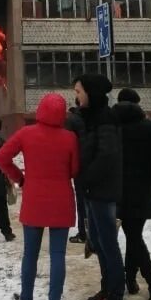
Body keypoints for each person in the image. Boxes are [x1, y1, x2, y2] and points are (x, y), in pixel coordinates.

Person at [0, 93, 78, 300]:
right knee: (58, 255)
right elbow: (74, 170)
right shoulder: (70, 138)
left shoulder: (26, 133)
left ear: (40, 110)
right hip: (62, 201)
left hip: (34, 199)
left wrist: (19, 178)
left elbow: (1, 157)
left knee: (30, 254)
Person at [76, 73, 126, 300]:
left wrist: (87, 178)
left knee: (108, 244)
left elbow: (106, 155)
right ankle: (108, 290)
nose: (76, 97)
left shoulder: (104, 119)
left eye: (78, 92)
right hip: (95, 189)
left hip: (102, 190)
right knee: (98, 241)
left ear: (90, 93)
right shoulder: (94, 117)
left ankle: (115, 297)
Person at [113, 89, 151, 300]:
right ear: (137, 104)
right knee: (134, 235)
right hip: (143, 190)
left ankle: (134, 279)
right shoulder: (148, 127)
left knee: (132, 236)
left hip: (117, 190)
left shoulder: (113, 127)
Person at [65, 86, 88, 244]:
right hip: (98, 164)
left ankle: (83, 233)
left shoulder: (71, 120)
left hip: (81, 165)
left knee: (82, 201)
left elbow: (66, 144)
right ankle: (96, 232)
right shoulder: (99, 117)